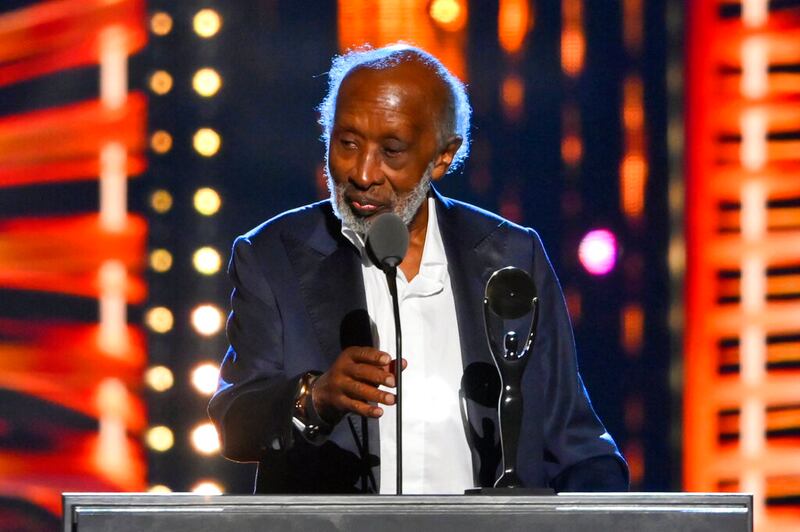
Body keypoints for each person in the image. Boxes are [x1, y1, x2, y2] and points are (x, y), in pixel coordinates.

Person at [208, 44, 628, 494]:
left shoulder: (510, 255)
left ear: (443, 156)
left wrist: (611, 514)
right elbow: (235, 421)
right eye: (347, 143)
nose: (363, 173)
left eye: (392, 151)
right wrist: (313, 397)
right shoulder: (272, 255)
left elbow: (573, 440)